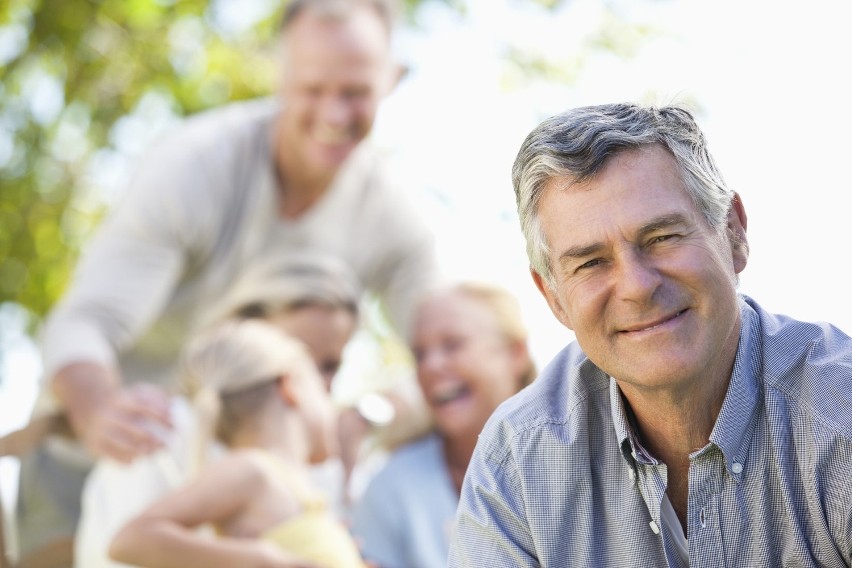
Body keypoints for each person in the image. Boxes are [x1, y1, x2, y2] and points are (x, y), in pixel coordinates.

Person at [17, 0, 439, 558]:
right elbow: (85, 321)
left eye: (356, 92)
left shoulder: (392, 216)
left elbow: (446, 353)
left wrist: (368, 416)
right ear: (280, 76)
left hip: (250, 482)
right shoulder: (195, 166)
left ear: (391, 80)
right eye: (314, 90)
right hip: (112, 450)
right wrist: (97, 410)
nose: (335, 113)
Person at [447, 102, 852, 567]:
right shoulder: (517, 459)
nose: (637, 286)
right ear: (554, 297)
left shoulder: (840, 417)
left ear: (734, 232)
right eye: (591, 263)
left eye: (662, 237)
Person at [73, 255, 362, 568]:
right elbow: (119, 549)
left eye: (331, 365)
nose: (321, 382)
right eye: (297, 354)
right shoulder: (164, 432)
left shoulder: (317, 472)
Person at [108, 318, 368, 568]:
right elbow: (130, 540)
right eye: (322, 388)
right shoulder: (253, 470)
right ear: (289, 386)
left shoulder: (299, 491)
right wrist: (253, 560)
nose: (332, 403)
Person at [350, 282, 536, 568]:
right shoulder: (391, 487)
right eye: (420, 354)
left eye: (453, 345)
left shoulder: (574, 459)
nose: (431, 366)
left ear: (515, 354)